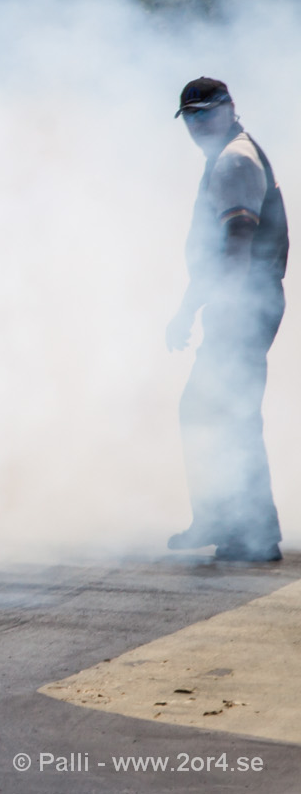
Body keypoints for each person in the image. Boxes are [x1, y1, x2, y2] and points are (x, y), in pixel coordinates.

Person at [165, 77, 287, 562]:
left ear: (230, 108)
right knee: (212, 410)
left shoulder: (235, 160)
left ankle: (251, 534)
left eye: (206, 111)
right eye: (190, 116)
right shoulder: (227, 156)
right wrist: (188, 308)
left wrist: (229, 305)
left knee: (223, 411)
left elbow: (237, 240)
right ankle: (226, 521)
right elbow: (213, 255)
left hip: (245, 302)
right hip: (243, 300)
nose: (198, 123)